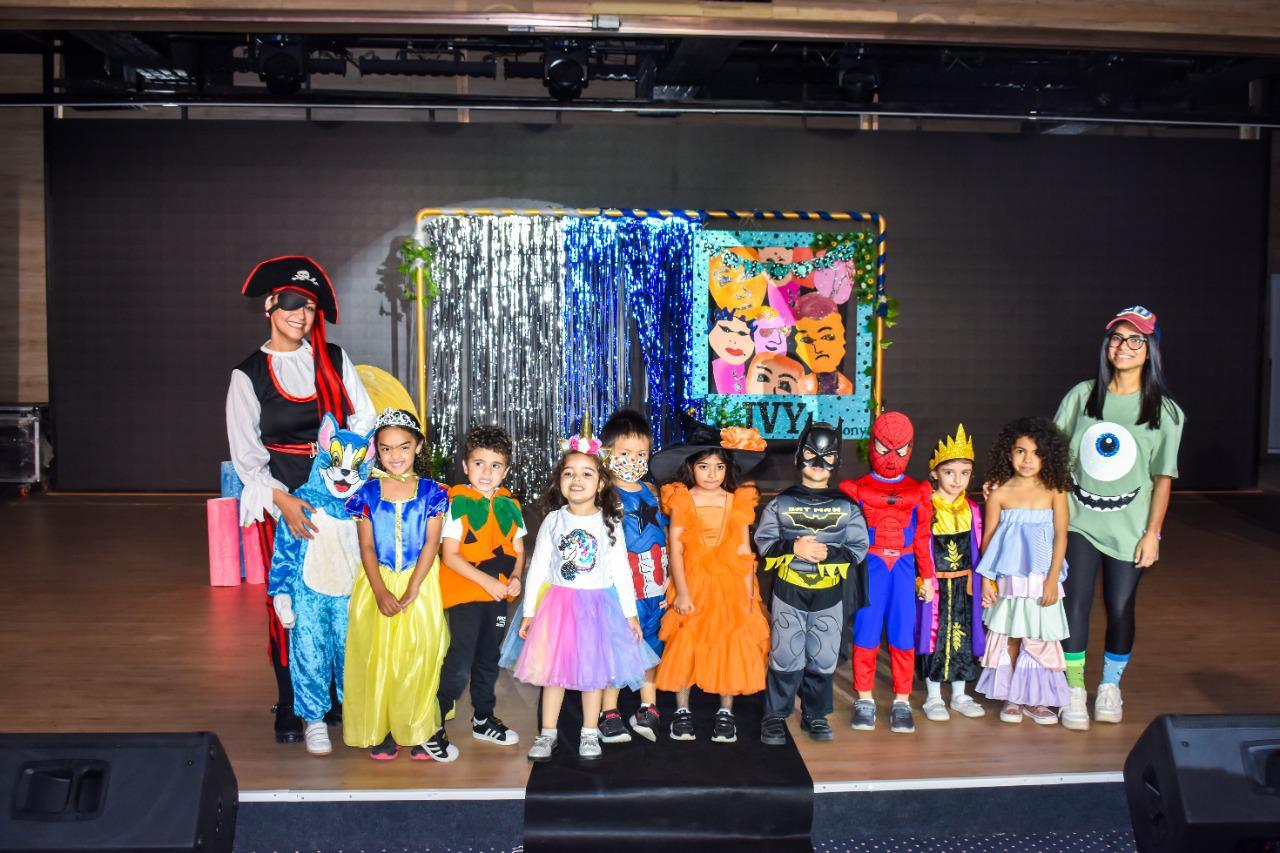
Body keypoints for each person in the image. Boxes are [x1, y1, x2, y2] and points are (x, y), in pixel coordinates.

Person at [226, 255, 375, 743]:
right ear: (270, 305)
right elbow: (247, 457)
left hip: (340, 500)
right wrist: (284, 501)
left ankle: (334, 697)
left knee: (342, 594)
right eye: (291, 304)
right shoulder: (248, 375)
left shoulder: (334, 359)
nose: (300, 315)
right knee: (290, 600)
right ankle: (291, 701)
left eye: (308, 306)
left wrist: (350, 483)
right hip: (285, 502)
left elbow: (363, 422)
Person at [1053, 306, 1184, 730]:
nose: (1122, 347)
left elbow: (1162, 479)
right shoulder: (1082, 396)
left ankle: (1109, 685)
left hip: (1130, 529)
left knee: (1121, 606)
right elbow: (1054, 457)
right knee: (1074, 603)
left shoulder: (1165, 412)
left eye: (1134, 340)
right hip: (1079, 521)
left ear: (1151, 349)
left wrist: (1153, 534)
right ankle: (1073, 688)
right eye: (1116, 339)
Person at [498, 420, 658, 762]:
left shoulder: (609, 520)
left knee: (593, 674)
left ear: (601, 482)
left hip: (599, 606)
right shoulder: (555, 520)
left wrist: (629, 614)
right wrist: (529, 613)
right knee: (553, 674)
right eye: (569, 473)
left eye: (587, 474)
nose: (577, 480)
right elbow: (538, 567)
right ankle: (548, 733)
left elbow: (621, 573)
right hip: (558, 606)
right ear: (560, 481)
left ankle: (589, 732)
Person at [343, 408, 455, 761]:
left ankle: (420, 726)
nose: (395, 456)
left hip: (420, 582)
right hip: (377, 580)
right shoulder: (366, 493)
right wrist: (379, 590)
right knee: (379, 655)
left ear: (418, 447)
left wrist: (412, 588)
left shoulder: (434, 493)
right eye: (387, 448)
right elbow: (366, 545)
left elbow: (431, 543)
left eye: (403, 447)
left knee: (419, 654)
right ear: (377, 450)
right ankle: (385, 727)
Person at [651, 418, 770, 745]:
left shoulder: (737, 500)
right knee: (686, 642)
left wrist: (747, 597)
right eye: (704, 467)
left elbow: (745, 550)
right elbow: (675, 547)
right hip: (693, 581)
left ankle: (725, 712)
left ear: (727, 469)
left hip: (730, 584)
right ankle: (682, 711)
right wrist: (682, 592)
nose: (712, 474)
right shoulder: (681, 498)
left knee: (730, 642)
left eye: (719, 467)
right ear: (691, 467)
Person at [756, 418, 869, 744]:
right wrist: (794, 547)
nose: (819, 463)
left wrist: (828, 554)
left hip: (828, 593)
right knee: (785, 654)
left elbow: (859, 547)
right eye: (811, 454)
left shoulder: (847, 507)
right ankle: (775, 715)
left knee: (822, 656)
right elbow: (764, 542)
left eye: (828, 456)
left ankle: (815, 714)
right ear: (798, 457)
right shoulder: (781, 502)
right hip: (790, 589)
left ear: (837, 461)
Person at [267, 414, 373, 755]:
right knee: (310, 657)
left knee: (351, 658)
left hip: (350, 598)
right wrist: (281, 592)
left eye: (354, 468)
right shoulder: (304, 502)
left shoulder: (365, 508)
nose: (343, 475)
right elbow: (284, 549)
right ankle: (313, 720)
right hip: (309, 597)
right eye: (337, 464)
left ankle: (355, 715)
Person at [839, 411, 935, 734]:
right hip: (873, 566)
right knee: (865, 632)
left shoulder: (918, 492)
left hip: (905, 567)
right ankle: (864, 698)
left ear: (910, 448)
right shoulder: (856, 489)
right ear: (872, 446)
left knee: (902, 633)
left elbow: (922, 538)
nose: (891, 458)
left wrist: (928, 576)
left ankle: (902, 700)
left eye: (900, 450)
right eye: (884, 449)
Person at [434, 425, 526, 753]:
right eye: (479, 464)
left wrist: (516, 575)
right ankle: (434, 723)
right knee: (460, 658)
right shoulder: (457, 503)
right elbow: (451, 554)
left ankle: (483, 718)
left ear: (506, 469)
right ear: (464, 466)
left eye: (495, 465)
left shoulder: (509, 504)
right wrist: (485, 580)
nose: (486, 472)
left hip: (496, 596)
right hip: (466, 594)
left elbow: (518, 547)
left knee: (489, 656)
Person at [976, 417, 1072, 726]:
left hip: (1043, 577)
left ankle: (1037, 698)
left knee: (1040, 635)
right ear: (1008, 453)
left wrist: (1053, 579)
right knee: (1013, 636)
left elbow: (1061, 535)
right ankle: (1013, 696)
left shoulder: (1055, 490)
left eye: (1035, 453)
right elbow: (988, 539)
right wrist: (987, 580)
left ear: (1047, 456)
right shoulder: (1000, 493)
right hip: (1010, 578)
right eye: (1020, 451)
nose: (1027, 460)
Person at [597, 409, 668, 743]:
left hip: (655, 582)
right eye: (625, 454)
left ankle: (647, 704)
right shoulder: (603, 494)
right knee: (618, 645)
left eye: (641, 454)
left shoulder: (653, 491)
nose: (634, 460)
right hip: (621, 588)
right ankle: (608, 709)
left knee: (653, 642)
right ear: (607, 453)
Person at [915, 425, 986, 722]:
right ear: (934, 473)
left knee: (963, 637)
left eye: (965, 472)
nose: (957, 480)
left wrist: (986, 583)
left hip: (964, 586)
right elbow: (918, 544)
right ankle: (933, 697)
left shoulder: (972, 508)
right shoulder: (925, 506)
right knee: (933, 638)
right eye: (949, 472)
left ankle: (959, 694)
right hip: (935, 586)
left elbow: (981, 547)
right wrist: (923, 579)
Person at [793, 293, 853, 395]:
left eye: (827, 337)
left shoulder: (846, 387)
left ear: (842, 337)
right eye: (807, 340)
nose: (818, 349)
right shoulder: (798, 385)